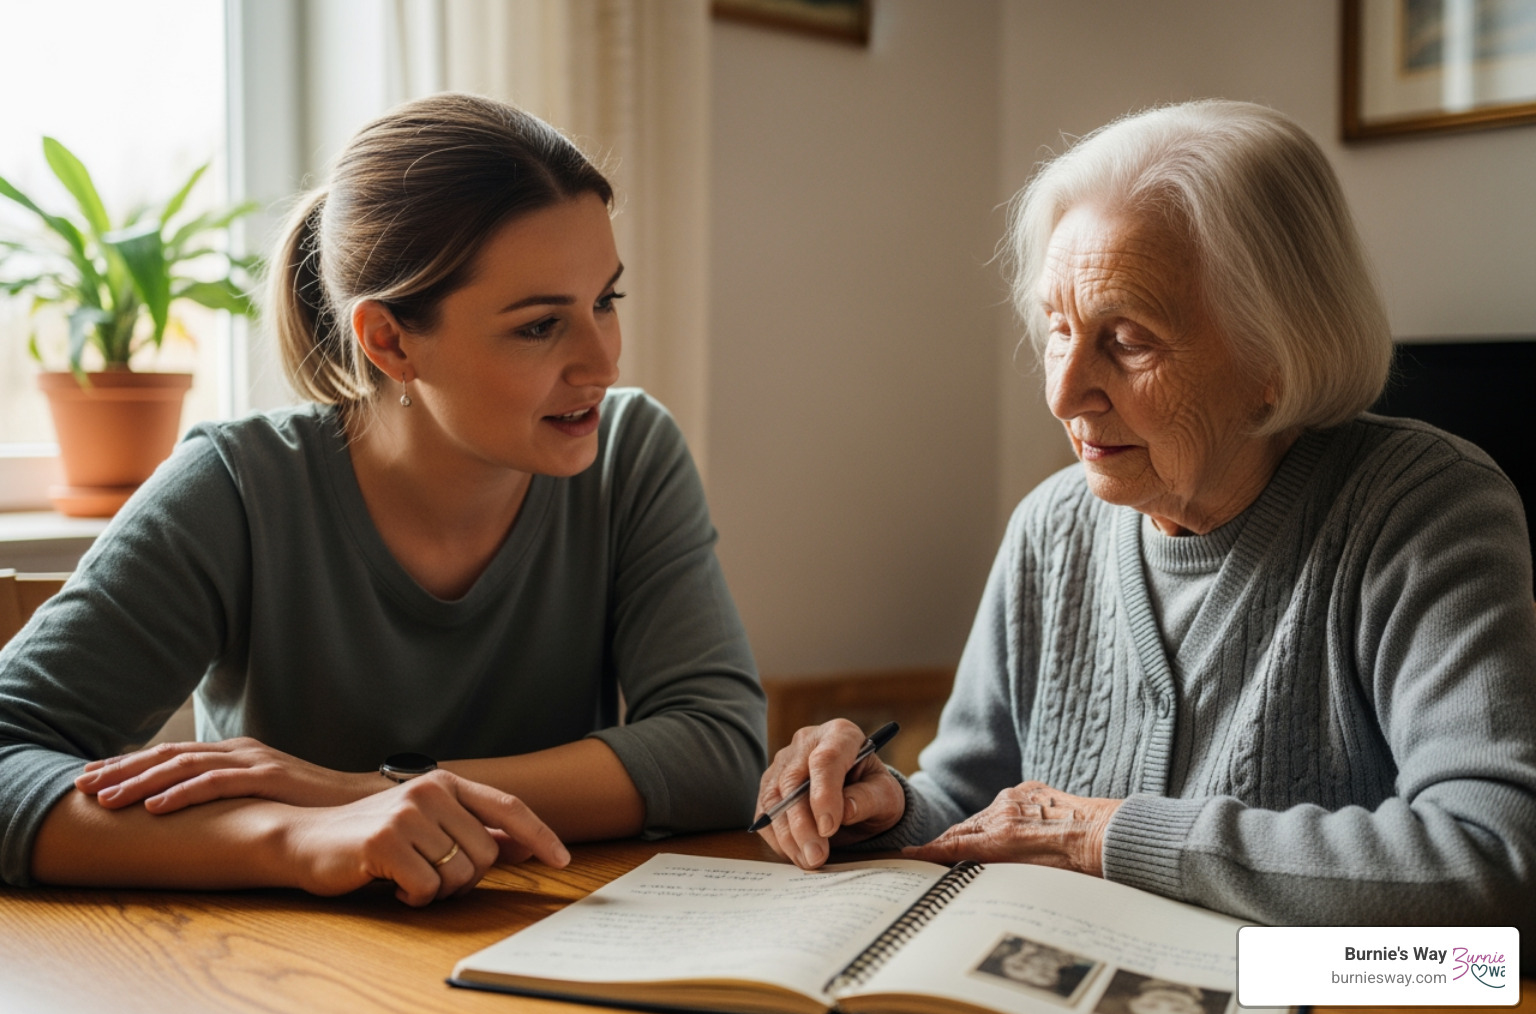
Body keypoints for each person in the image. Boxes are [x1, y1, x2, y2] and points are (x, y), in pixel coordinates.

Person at [754, 99, 1536, 927]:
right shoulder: (1050, 529)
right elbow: (977, 803)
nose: (1063, 392)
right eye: (1060, 330)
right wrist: (881, 807)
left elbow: (1496, 857)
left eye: (1127, 342)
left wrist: (1103, 834)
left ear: (1275, 353)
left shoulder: (1423, 509)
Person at [0, 93, 765, 905]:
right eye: (540, 326)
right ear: (389, 340)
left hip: (549, 946)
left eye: (605, 301)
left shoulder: (630, 451)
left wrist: (356, 789)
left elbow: (716, 751)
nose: (601, 363)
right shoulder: (234, 488)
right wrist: (293, 836)